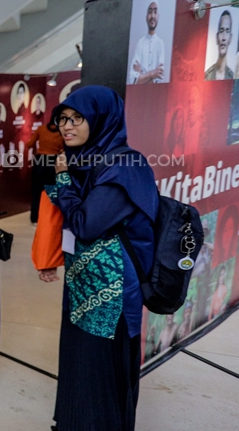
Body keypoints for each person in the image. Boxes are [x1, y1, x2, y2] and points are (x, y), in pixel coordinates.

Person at [44, 86, 158, 431]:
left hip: (111, 298)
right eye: (63, 119)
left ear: (101, 120)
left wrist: (62, 179)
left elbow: (85, 224)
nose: (66, 126)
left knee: (100, 371)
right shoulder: (86, 161)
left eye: (77, 118)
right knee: (79, 363)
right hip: (83, 287)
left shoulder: (124, 167)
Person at [27, 122, 65, 224]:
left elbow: (29, 144)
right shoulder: (62, 131)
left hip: (40, 161)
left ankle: (34, 218)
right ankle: (50, 219)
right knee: (53, 192)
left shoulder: (41, 129)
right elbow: (63, 148)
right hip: (54, 162)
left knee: (36, 191)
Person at [129, 0, 165, 84]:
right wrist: (152, 74)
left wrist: (142, 75)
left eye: (155, 12)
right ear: (146, 17)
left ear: (158, 16)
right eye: (150, 12)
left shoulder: (160, 43)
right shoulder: (140, 43)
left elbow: (159, 80)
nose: (152, 16)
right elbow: (132, 78)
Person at [205, 11, 235, 80]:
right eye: (221, 31)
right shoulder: (206, 75)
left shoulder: (232, 77)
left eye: (227, 31)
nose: (223, 38)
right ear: (217, 37)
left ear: (230, 38)